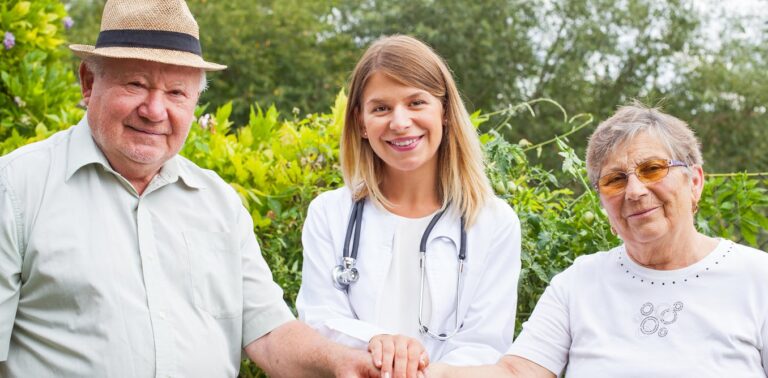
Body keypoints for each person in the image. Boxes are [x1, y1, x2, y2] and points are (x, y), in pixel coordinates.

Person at [0, 1, 379, 377]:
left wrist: (344, 363)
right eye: (136, 84)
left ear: (195, 101)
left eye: (177, 93)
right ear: (88, 81)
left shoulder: (219, 202)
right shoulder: (16, 188)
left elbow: (269, 332)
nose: (154, 110)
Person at [428, 103, 768, 377]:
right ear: (603, 203)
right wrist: (423, 372)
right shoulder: (579, 284)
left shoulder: (757, 278)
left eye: (652, 169)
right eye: (615, 180)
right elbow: (518, 372)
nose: (634, 191)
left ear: (694, 181)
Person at [296, 35, 522, 378]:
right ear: (360, 123)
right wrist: (379, 342)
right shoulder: (329, 214)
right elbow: (320, 322)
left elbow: (485, 344)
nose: (399, 122)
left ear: (444, 111)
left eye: (416, 102)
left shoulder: (494, 222)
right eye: (381, 108)